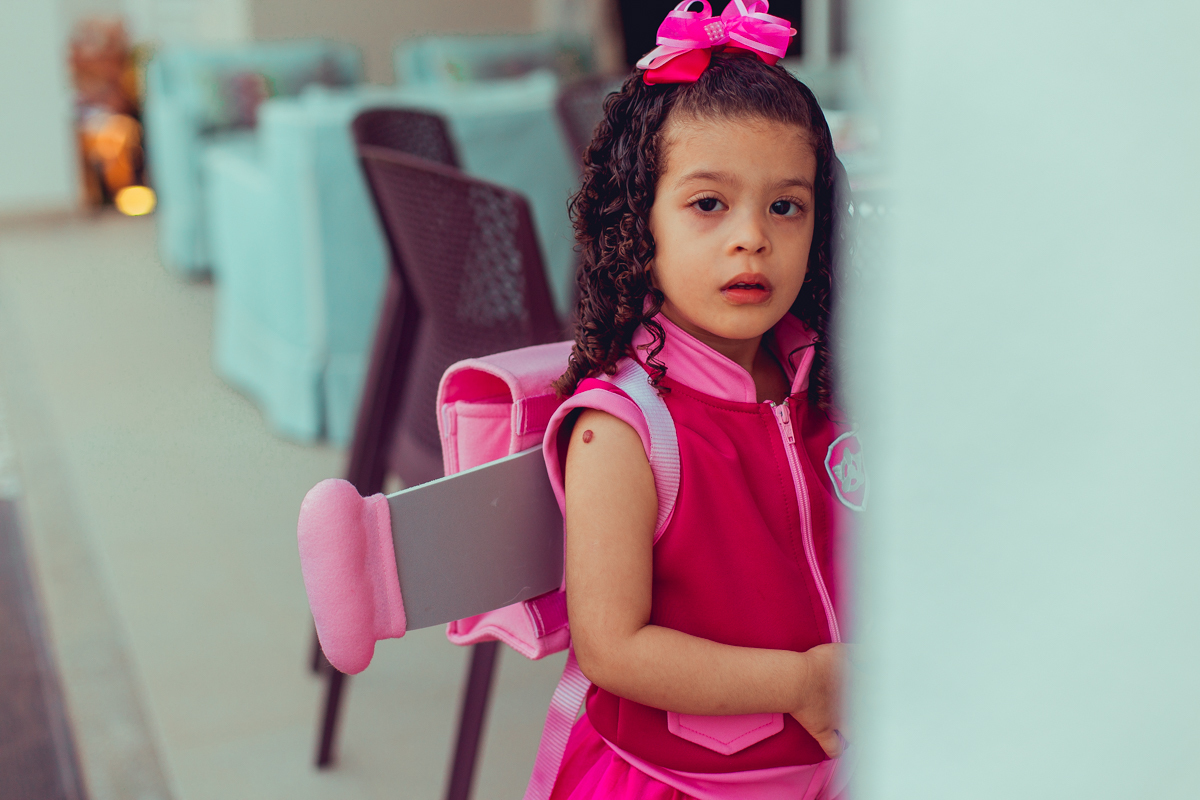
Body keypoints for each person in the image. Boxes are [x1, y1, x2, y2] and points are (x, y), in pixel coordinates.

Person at [537, 3, 860, 798]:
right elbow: (613, 648)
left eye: (786, 206)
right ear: (639, 221)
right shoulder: (623, 431)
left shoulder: (816, 381)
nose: (752, 237)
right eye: (709, 204)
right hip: (676, 781)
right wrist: (801, 683)